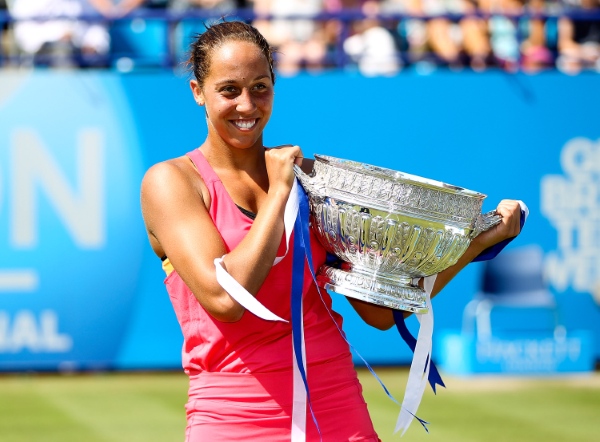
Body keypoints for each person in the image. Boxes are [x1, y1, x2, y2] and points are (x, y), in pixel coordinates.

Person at [140, 19, 523, 441]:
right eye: (229, 89)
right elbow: (225, 299)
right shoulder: (171, 182)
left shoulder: (309, 179)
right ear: (198, 92)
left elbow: (378, 311)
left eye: (261, 87)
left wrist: (476, 243)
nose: (247, 105)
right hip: (232, 416)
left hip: (335, 405)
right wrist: (280, 192)